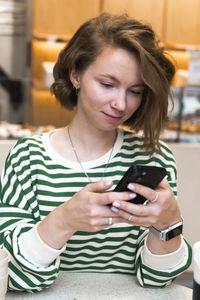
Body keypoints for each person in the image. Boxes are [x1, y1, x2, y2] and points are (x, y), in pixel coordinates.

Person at [0, 12, 192, 292]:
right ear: (75, 75)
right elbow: (16, 277)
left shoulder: (154, 158)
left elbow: (155, 280)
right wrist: (64, 220)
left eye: (135, 91)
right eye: (107, 84)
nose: (121, 104)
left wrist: (170, 223)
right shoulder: (28, 158)